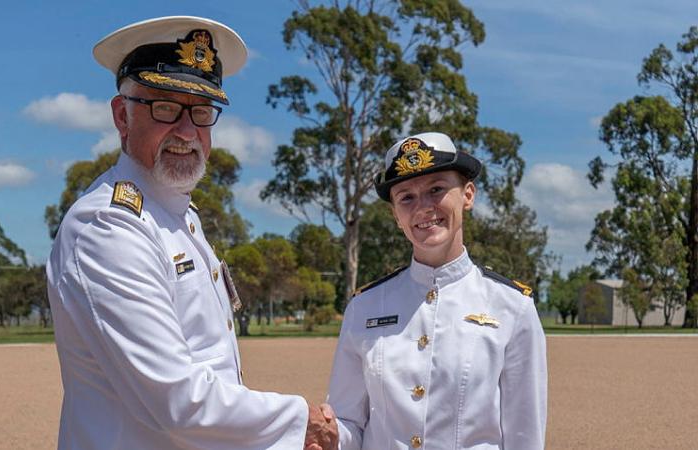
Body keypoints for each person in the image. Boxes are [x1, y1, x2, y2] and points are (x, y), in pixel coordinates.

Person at [46, 16, 337, 449]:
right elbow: (178, 401)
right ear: (121, 116)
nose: (187, 131)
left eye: (201, 112)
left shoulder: (179, 217)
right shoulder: (108, 227)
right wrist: (300, 423)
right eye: (165, 108)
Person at [326, 132, 547, 449]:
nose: (423, 207)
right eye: (406, 197)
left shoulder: (512, 307)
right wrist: (325, 434)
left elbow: (525, 436)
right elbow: (349, 423)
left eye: (436, 189)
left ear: (468, 195)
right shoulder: (365, 308)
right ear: (396, 215)